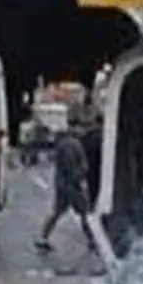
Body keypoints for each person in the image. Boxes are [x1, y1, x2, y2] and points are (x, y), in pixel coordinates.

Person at [36, 106, 98, 254]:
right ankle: (92, 240)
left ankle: (43, 237)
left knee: (57, 212)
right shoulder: (74, 144)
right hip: (73, 185)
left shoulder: (63, 144)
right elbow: (77, 167)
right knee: (85, 213)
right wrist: (80, 177)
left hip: (62, 184)